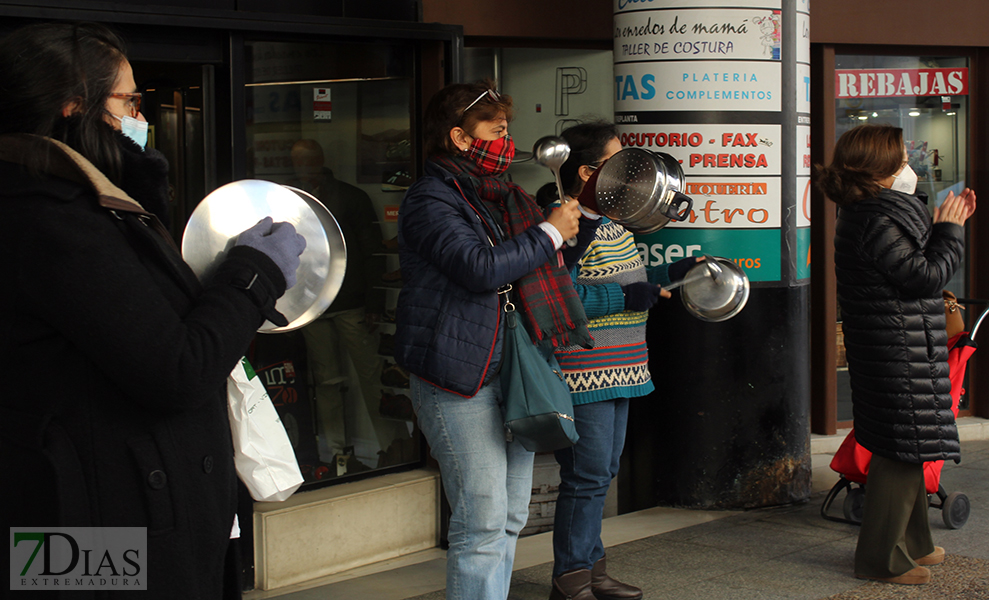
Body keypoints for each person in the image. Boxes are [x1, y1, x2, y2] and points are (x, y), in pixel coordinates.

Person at [0, 22, 305, 599]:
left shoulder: (78, 206)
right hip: (97, 521)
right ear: (74, 103)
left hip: (94, 508)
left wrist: (139, 188)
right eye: (127, 100)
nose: (139, 115)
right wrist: (254, 273)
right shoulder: (50, 220)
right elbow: (178, 366)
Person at [394, 80, 589, 600]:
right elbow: (478, 268)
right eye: (496, 129)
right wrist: (549, 232)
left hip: (513, 367)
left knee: (509, 517)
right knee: (480, 522)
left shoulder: (509, 196)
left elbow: (538, 266)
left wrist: (567, 227)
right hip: (458, 378)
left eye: (508, 130)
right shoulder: (430, 198)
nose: (507, 139)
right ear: (460, 137)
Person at [538, 121, 701, 600]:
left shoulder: (609, 222)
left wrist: (672, 273)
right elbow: (554, 299)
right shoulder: (564, 221)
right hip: (583, 372)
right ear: (589, 172)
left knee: (602, 473)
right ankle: (570, 581)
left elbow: (623, 276)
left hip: (621, 366)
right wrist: (626, 298)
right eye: (620, 164)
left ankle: (592, 570)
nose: (633, 173)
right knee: (587, 476)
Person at [814, 124, 975, 586]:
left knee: (909, 445)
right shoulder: (874, 217)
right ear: (881, 167)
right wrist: (950, 230)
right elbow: (923, 276)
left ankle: (916, 544)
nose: (910, 165)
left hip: (899, 347)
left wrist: (942, 224)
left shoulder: (873, 211)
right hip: (895, 353)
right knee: (900, 452)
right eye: (903, 157)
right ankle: (881, 559)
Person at [288, 139, 414, 473]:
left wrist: (375, 302)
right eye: (298, 162)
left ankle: (395, 447)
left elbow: (373, 254)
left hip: (351, 300)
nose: (304, 167)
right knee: (327, 382)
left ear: (322, 159)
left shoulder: (350, 197)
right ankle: (336, 455)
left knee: (373, 379)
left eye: (309, 160)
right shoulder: (291, 200)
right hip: (312, 304)